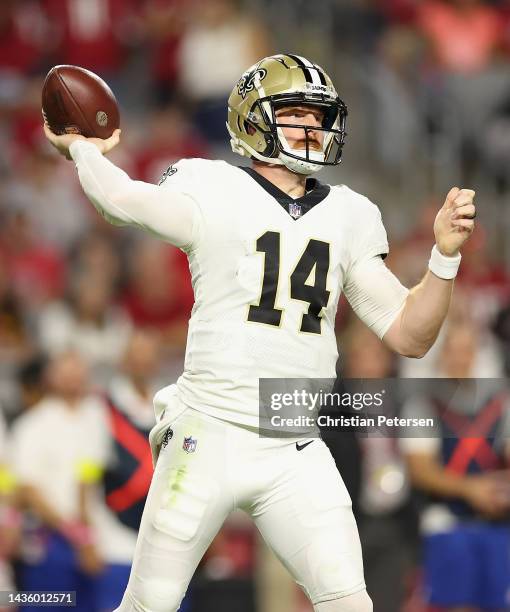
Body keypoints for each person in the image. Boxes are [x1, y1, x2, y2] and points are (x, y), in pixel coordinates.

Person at [44, 53, 476, 612]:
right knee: (149, 602)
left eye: (319, 117)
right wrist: (83, 146)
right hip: (209, 425)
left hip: (292, 439)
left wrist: (443, 258)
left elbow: (409, 334)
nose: (313, 129)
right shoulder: (212, 183)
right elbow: (122, 201)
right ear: (255, 119)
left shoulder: (350, 213)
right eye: (298, 114)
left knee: (350, 602)